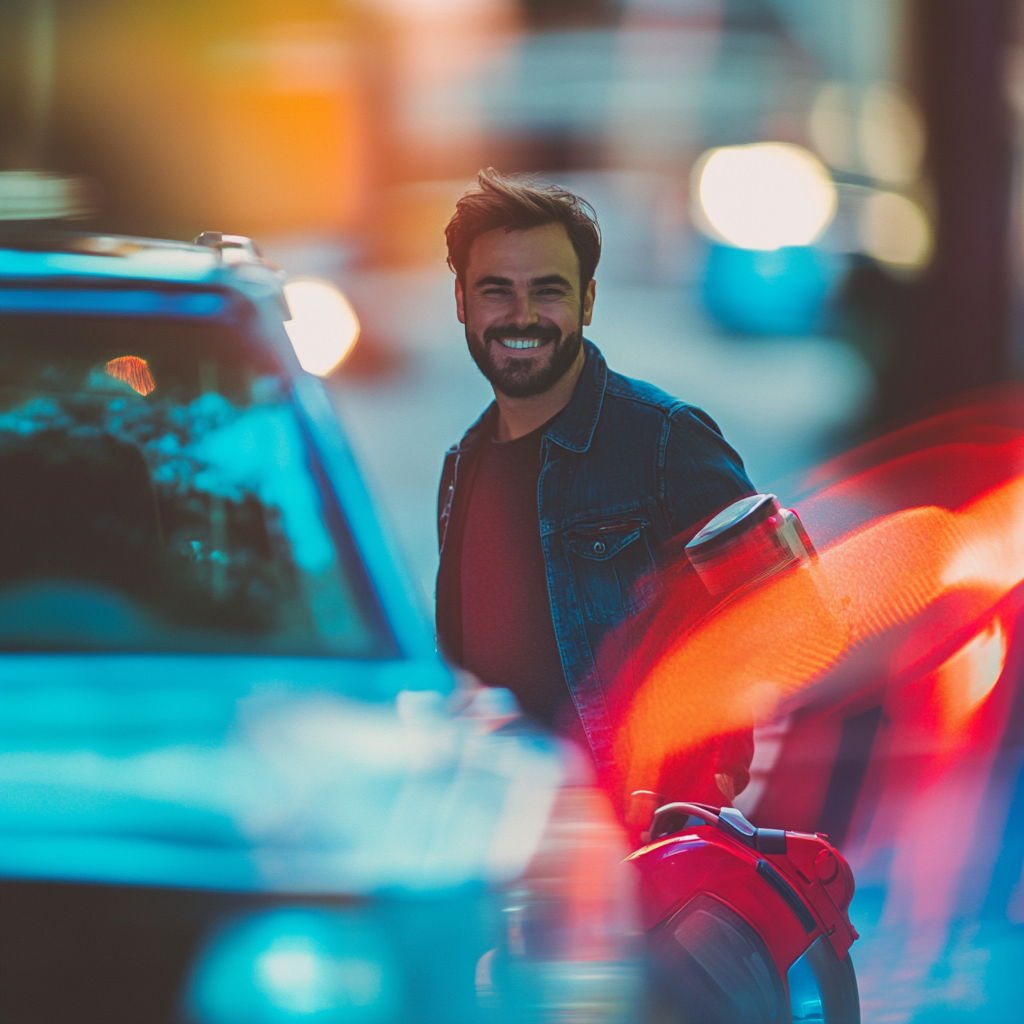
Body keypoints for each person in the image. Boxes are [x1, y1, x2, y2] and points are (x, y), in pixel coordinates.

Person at [435, 168, 755, 794]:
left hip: (642, 844)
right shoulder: (462, 464)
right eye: (496, 291)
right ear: (461, 302)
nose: (521, 315)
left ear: (586, 300)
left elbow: (791, 616)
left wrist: (708, 784)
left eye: (548, 291)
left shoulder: (665, 439)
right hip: (509, 841)